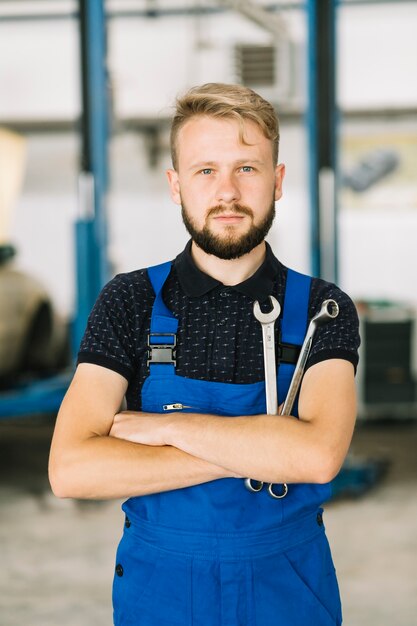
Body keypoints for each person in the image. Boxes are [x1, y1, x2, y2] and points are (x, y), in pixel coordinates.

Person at [49, 82, 360, 626]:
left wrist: (162, 428)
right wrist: (262, 450)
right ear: (175, 185)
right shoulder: (129, 301)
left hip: (287, 589)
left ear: (278, 181)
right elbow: (72, 469)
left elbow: (317, 458)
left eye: (247, 168)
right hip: (163, 592)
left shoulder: (322, 308)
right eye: (205, 170)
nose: (227, 191)